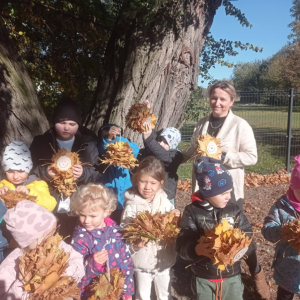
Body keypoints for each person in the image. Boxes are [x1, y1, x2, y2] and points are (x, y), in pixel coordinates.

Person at [176, 157, 264, 300]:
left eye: (230, 191)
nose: (228, 197)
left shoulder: (233, 210)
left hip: (232, 275)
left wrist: (240, 245)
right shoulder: (192, 212)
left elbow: (247, 231)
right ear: (207, 192)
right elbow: (181, 244)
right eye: (223, 193)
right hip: (204, 277)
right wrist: (197, 249)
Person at [30, 98, 100, 241]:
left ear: (78, 124)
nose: (66, 128)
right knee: (47, 242)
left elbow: (98, 172)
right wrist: (45, 172)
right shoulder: (41, 142)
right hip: (49, 203)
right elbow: (29, 170)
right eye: (62, 123)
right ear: (54, 121)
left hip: (78, 205)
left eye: (72, 124)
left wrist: (83, 173)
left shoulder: (88, 143)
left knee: (74, 244)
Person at [182, 81, 257, 209]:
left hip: (226, 190)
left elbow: (251, 157)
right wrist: (171, 158)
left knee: (226, 224)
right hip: (203, 187)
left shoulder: (240, 125)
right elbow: (192, 150)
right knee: (201, 221)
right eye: (214, 98)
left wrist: (224, 156)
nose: (217, 103)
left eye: (223, 99)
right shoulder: (201, 123)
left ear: (232, 101)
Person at [121, 156, 180, 300]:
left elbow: (173, 229)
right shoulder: (132, 206)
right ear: (136, 180)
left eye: (153, 183)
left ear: (160, 184)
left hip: (163, 260)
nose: (147, 187)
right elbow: (125, 232)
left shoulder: (165, 203)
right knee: (142, 295)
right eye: (143, 182)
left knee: (164, 294)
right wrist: (135, 246)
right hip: (141, 262)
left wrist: (177, 218)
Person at [0, 200, 84, 299]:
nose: (53, 238)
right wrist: (24, 283)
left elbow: (78, 261)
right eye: (48, 235)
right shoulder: (12, 264)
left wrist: (60, 273)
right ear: (30, 241)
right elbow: (6, 296)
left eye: (54, 231)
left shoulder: (59, 246)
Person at [70, 183, 135, 300]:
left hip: (115, 290)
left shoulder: (117, 232)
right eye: (82, 215)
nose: (86, 220)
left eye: (92, 216)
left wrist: (127, 291)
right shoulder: (80, 238)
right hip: (91, 293)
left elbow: (126, 262)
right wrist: (93, 264)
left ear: (106, 212)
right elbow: (75, 270)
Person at [262, 155, 300, 300]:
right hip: (287, 269)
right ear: (293, 186)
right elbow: (267, 230)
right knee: (284, 296)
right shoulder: (282, 205)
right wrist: (283, 231)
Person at [98, 124, 139, 224]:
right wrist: (109, 138)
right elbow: (103, 148)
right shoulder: (103, 151)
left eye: (113, 135)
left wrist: (121, 142)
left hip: (125, 190)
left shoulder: (125, 144)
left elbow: (136, 150)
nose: (112, 138)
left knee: (124, 218)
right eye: (106, 135)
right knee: (109, 218)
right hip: (109, 189)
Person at [0, 141, 56, 212]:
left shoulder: (38, 184)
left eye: (20, 171)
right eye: (10, 172)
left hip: (32, 221)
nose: (15, 176)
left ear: (28, 170)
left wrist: (31, 192)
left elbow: (51, 205)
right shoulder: (2, 184)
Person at [140, 122, 183, 207]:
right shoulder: (155, 151)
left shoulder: (176, 156)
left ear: (172, 145)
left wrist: (149, 140)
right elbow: (153, 147)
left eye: (166, 142)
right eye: (160, 140)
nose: (160, 143)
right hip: (150, 194)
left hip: (166, 196)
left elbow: (163, 156)